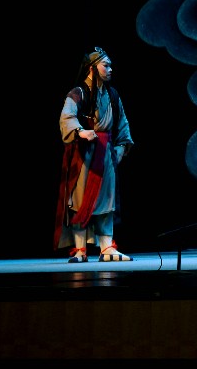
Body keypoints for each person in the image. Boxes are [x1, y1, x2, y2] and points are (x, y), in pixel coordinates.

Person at [55, 47, 134, 262]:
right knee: (79, 199)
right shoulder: (78, 93)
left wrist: (121, 146)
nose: (110, 69)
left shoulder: (112, 94)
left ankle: (106, 247)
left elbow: (122, 122)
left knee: (107, 199)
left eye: (110, 65)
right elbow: (67, 117)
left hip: (105, 152)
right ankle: (80, 250)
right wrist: (81, 131)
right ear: (92, 68)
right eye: (105, 65)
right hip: (84, 154)